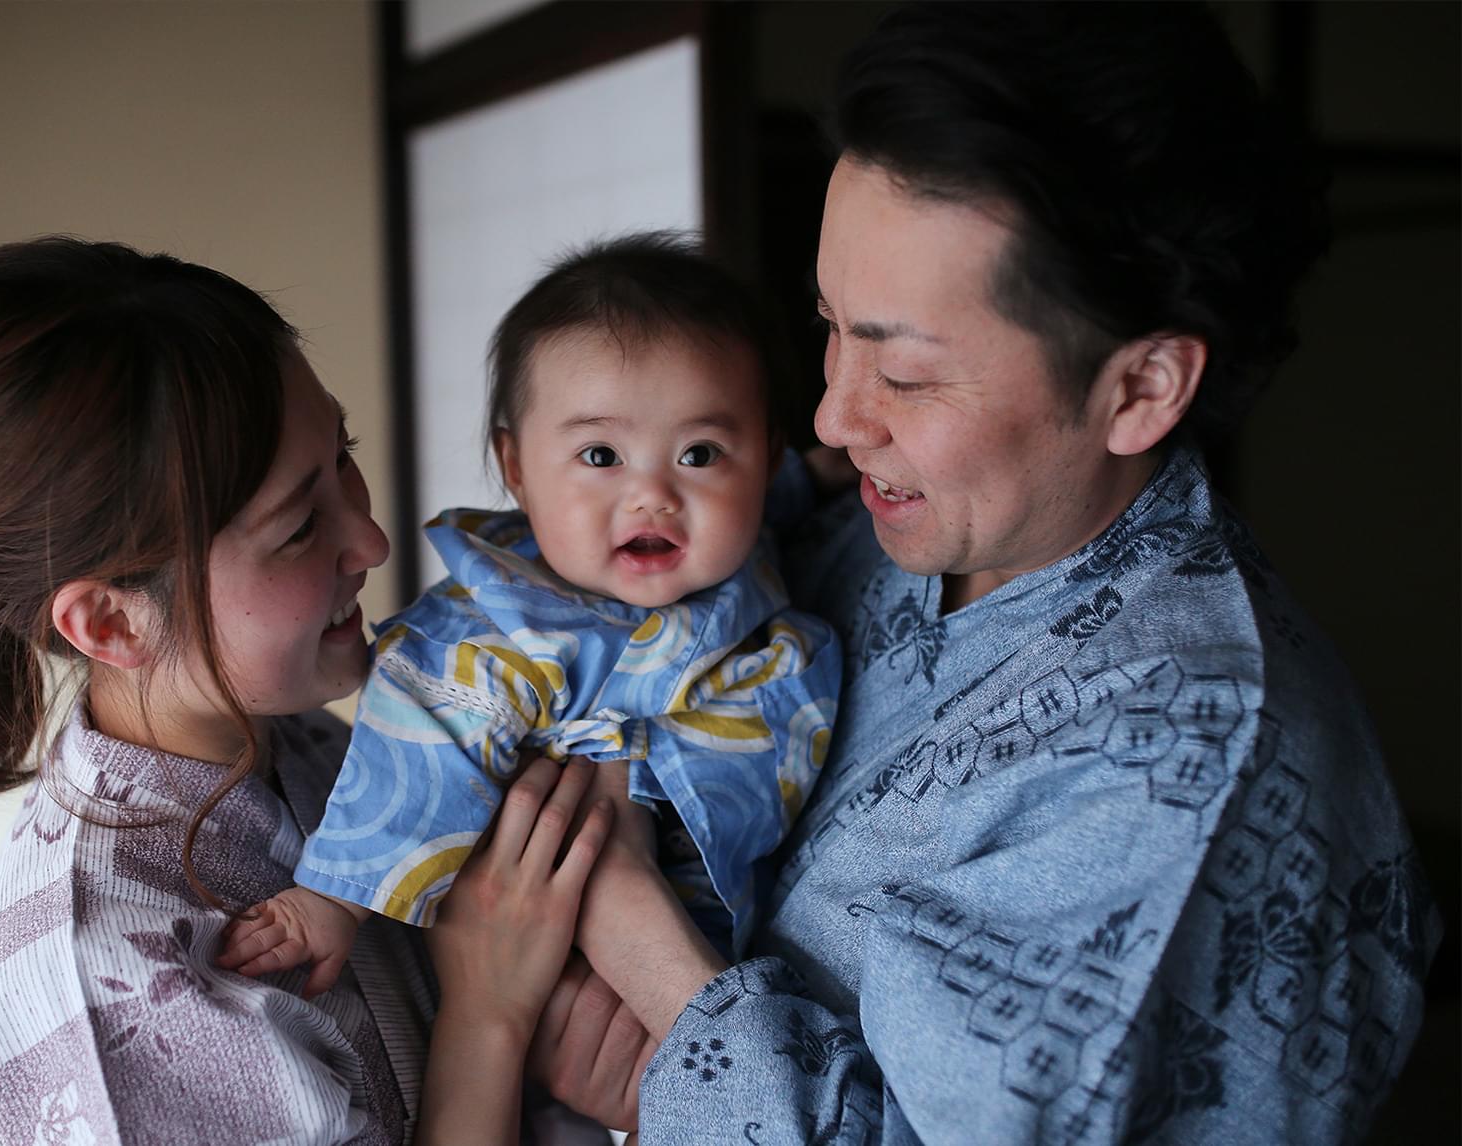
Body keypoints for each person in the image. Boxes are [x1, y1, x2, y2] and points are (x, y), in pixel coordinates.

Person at [530, 6, 1441, 1142]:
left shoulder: (1181, 754)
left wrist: (639, 950)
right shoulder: (877, 517)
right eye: (829, 328)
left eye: (906, 375)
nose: (832, 413)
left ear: (1141, 387)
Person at [0, 237, 608, 1144]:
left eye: (345, 455)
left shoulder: (311, 745)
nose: (370, 540)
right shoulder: (103, 1011)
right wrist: (489, 1021)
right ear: (111, 623)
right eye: (298, 527)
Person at [217, 235, 840, 999]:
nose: (654, 496)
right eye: (602, 457)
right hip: (572, 955)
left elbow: (768, 504)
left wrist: (818, 476)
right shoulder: (500, 628)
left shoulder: (745, 546)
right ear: (516, 468)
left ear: (768, 456)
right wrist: (335, 899)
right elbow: (420, 745)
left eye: (701, 454)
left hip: (736, 929)